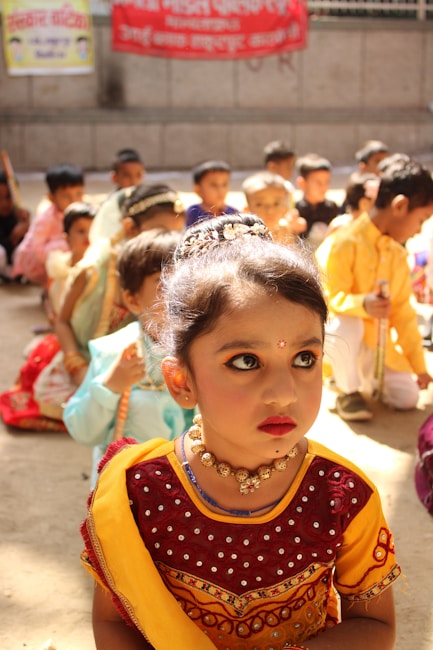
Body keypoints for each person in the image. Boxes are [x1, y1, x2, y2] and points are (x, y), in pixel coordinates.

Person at [81, 213, 400, 650]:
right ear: (182, 381)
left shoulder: (344, 494)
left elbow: (376, 626)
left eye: (304, 358)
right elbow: (113, 623)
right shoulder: (138, 492)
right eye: (246, 361)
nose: (283, 393)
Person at [64, 228, 191, 487]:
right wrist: (110, 387)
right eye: (162, 282)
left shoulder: (198, 351)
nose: (177, 292)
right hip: (123, 487)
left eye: (185, 280)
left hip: (182, 486)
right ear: (133, 300)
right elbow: (83, 430)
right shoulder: (115, 352)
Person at [316, 156, 433, 422]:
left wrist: (419, 367)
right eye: (422, 219)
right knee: (349, 322)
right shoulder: (343, 242)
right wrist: (362, 304)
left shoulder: (397, 254)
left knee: (407, 397)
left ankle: (362, 382)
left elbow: (403, 313)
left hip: (376, 347)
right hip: (339, 341)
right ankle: (346, 389)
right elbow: (328, 300)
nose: (419, 231)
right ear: (400, 206)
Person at [54, 183, 185, 388]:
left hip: (143, 370)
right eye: (160, 231)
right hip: (88, 364)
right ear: (129, 228)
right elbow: (61, 321)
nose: (167, 241)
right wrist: (78, 369)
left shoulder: (172, 273)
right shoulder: (94, 271)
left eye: (176, 232)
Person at [0, 202, 95, 432]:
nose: (87, 237)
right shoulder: (58, 266)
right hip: (65, 340)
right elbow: (56, 311)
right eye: (80, 231)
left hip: (88, 342)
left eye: (92, 231)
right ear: (66, 235)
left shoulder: (97, 271)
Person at [12, 163, 85, 287]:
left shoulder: (82, 213)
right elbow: (37, 254)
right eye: (66, 196)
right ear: (51, 198)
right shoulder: (45, 219)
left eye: (78, 194)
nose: (74, 201)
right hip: (37, 263)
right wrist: (66, 245)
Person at [89, 148, 146, 243]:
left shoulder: (146, 200)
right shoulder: (109, 204)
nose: (134, 181)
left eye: (138, 175)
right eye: (127, 176)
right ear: (114, 177)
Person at [242, 170, 306, 242]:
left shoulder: (285, 231)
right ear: (247, 210)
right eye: (259, 204)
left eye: (276, 204)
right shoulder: (245, 237)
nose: (270, 210)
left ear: (285, 208)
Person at [295, 154, 339, 247]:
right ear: (302, 183)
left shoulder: (332, 208)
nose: (324, 187)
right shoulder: (296, 211)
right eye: (318, 183)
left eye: (327, 182)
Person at [185, 160, 238, 228]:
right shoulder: (193, 212)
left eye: (224, 184)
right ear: (198, 189)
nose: (220, 190)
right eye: (213, 185)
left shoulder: (233, 213)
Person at [0, 170, 30, 280]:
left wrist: (27, 227)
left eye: (9, 197)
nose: (4, 203)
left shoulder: (21, 217)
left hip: (15, 264)